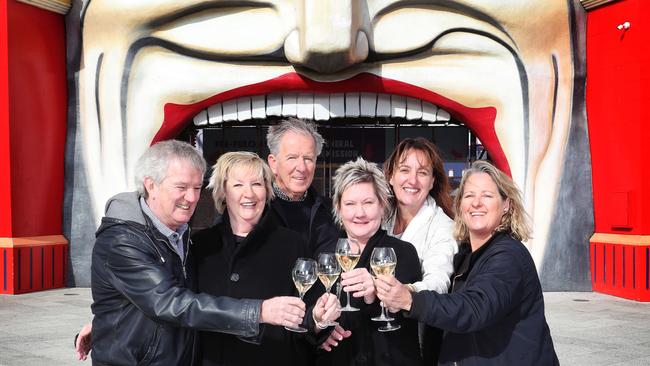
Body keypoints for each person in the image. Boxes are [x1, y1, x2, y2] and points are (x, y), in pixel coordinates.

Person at [84, 141, 309, 365]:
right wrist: (259, 311)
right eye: (181, 187)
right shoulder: (123, 241)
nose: (191, 198)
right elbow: (169, 302)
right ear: (151, 186)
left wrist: (107, 322)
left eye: (196, 188)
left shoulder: (180, 235)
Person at [376, 160, 559, 365]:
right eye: (469, 195)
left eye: (487, 196)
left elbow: (475, 308)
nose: (476, 203)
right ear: (461, 205)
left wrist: (410, 300)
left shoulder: (508, 256)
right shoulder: (466, 255)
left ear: (506, 205)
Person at [192, 151, 339, 365]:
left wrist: (318, 318)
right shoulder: (201, 246)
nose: (249, 194)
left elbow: (307, 317)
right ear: (223, 191)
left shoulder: (292, 244)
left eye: (257, 184)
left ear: (267, 190)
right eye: (238, 185)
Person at [317, 157, 423, 366]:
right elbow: (311, 316)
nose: (360, 213)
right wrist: (321, 328)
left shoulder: (403, 252)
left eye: (368, 203)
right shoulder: (326, 255)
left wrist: (375, 294)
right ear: (338, 207)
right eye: (350, 204)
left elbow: (410, 317)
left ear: (382, 205)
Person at [382, 138, 458, 362]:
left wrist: (405, 292)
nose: (412, 180)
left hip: (416, 338)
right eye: (404, 170)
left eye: (422, 172)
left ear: (432, 181)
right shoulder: (380, 216)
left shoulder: (444, 227)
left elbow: (439, 282)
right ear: (390, 176)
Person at [266, 118, 340, 256]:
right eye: (292, 158)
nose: (301, 167)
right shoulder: (257, 211)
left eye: (308, 159)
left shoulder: (332, 211)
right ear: (273, 163)